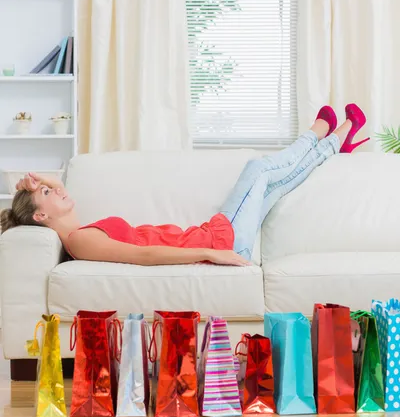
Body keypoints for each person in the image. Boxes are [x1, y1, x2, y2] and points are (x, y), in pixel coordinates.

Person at [0, 104, 368, 267]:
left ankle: (338, 140)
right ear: (41, 214)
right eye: (48, 193)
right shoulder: (78, 240)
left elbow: (58, 192)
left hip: (215, 236)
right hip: (217, 241)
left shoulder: (78, 230)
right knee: (259, 169)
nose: (57, 188)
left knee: (278, 181)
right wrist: (210, 253)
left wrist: (44, 182)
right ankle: (318, 132)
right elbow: (145, 256)